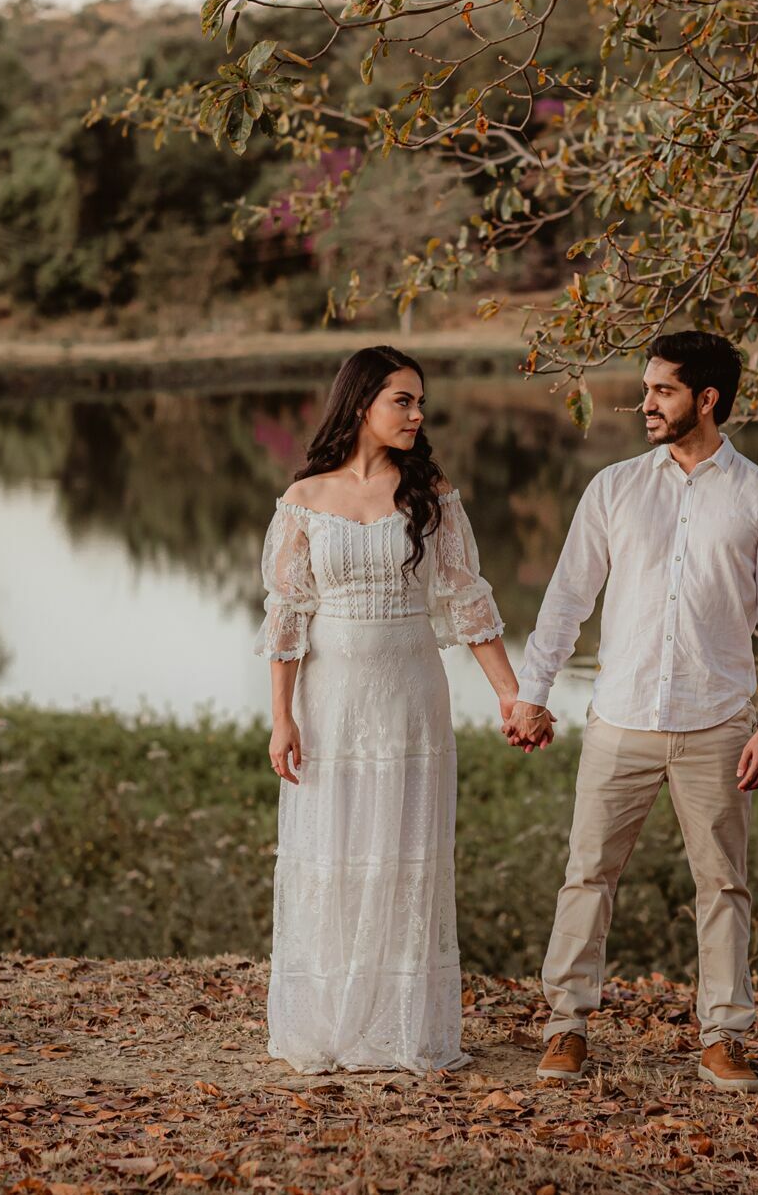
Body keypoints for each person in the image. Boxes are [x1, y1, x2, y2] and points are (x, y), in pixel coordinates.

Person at [503, 329, 758, 1094]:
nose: (645, 403)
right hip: (620, 719)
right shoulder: (612, 489)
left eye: (662, 390)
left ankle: (725, 1038)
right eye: (646, 389)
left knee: (724, 885)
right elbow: (568, 599)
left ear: (706, 399)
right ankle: (565, 1027)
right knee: (587, 876)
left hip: (718, 725)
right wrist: (533, 693)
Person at [256, 345, 520, 1073]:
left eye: (420, 402)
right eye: (403, 400)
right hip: (332, 697)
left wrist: (509, 692)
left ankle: (400, 1024)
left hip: (411, 694)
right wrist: (282, 718)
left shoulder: (429, 490)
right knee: (335, 856)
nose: (417, 414)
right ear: (362, 401)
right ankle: (333, 1020)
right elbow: (287, 619)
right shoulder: (305, 499)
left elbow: (469, 599)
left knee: (406, 856)